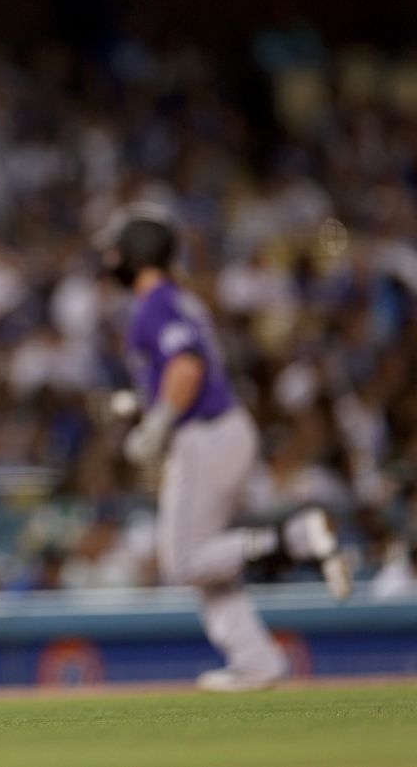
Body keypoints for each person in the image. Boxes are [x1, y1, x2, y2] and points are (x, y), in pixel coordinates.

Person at [98, 203, 351, 692]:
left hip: (203, 434)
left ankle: (294, 537)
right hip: (225, 429)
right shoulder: (178, 298)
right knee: (211, 568)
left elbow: (185, 367)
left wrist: (157, 422)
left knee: (185, 560)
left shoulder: (154, 303)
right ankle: (258, 662)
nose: (110, 261)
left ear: (134, 253)